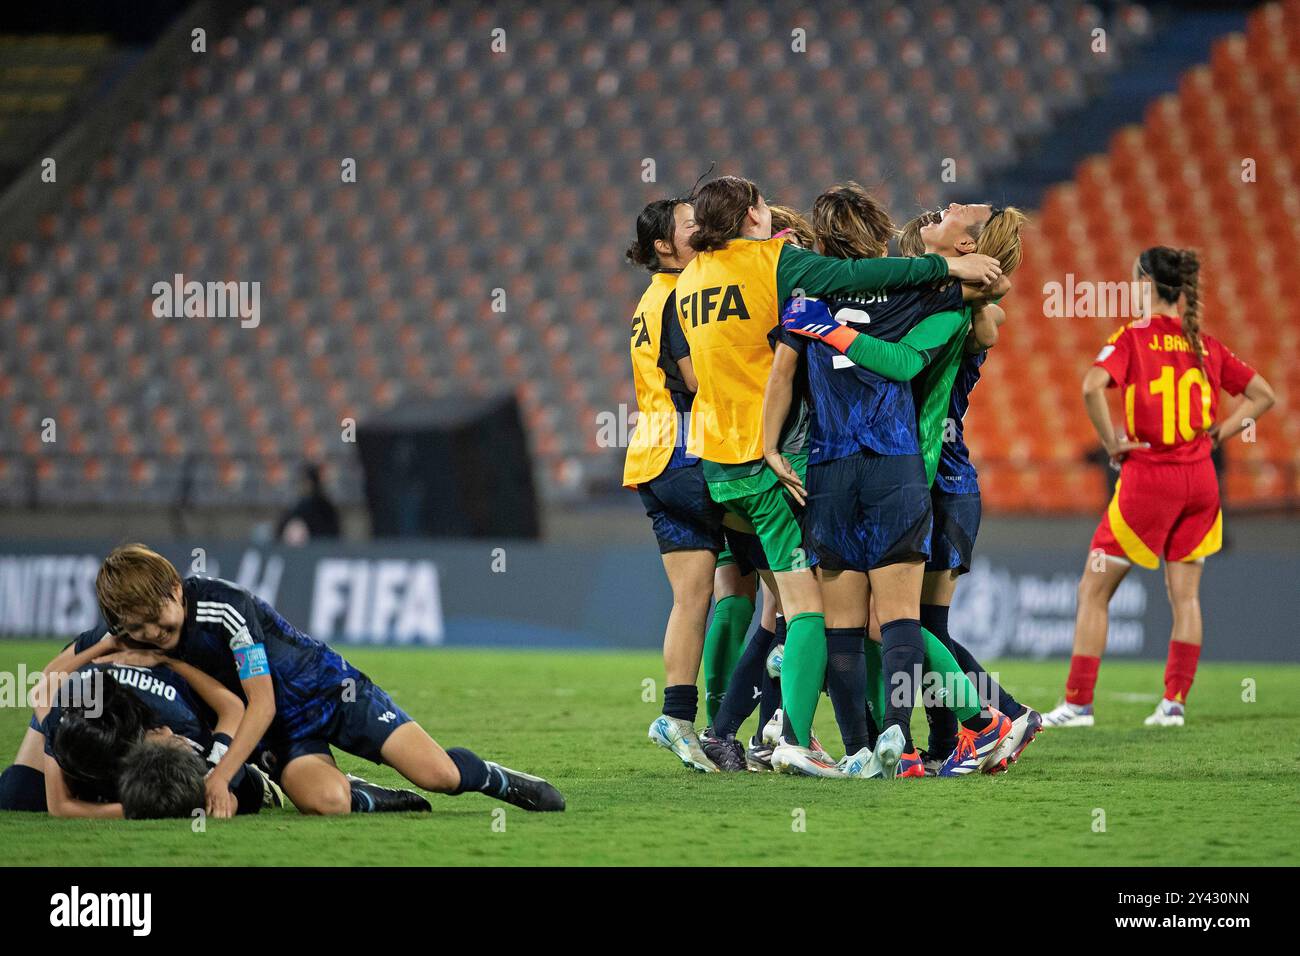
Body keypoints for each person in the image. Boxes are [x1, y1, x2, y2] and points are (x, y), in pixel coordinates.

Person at [675, 174, 1003, 776]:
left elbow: (776, 373)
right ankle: (946, 730)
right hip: (891, 467)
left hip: (741, 461)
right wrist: (953, 278)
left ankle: (816, 738)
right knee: (868, 618)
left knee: (806, 613)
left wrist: (771, 438)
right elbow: (914, 349)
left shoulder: (696, 280)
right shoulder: (823, 277)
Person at [772, 192, 1017, 777]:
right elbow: (988, 299)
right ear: (880, 232)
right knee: (880, 621)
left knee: (867, 622)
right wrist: (956, 267)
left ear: (821, 240)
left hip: (851, 465)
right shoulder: (923, 289)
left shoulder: (810, 293)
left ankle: (901, 740)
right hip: (888, 465)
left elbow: (909, 359)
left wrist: (826, 332)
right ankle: (886, 746)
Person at [87, 543, 565, 815]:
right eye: (136, 628)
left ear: (175, 589)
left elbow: (261, 702)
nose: (152, 634)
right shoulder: (135, 634)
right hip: (280, 735)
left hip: (332, 693)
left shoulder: (223, 605)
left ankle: (498, 779)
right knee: (329, 804)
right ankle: (365, 793)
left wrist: (220, 778)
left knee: (438, 776)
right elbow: (66, 663)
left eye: (158, 620)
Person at [1042, 247, 1274, 728]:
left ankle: (1079, 705)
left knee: (1093, 590)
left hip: (1148, 482)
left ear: (1145, 282)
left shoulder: (1134, 338)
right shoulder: (1205, 344)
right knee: (1185, 597)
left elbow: (1091, 386)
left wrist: (1112, 443)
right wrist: (1222, 434)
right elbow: (1263, 395)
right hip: (1201, 482)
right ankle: (1173, 704)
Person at [276, 462, 341, 544]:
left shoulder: (323, 506)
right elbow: (281, 529)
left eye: (305, 481)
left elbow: (334, 534)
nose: (301, 485)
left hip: (320, 547)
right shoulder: (297, 505)